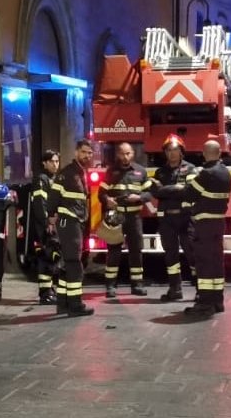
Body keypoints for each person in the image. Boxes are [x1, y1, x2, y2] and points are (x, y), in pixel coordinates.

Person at [182, 139, 231, 318]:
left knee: (204, 263)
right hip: (219, 223)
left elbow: (189, 194)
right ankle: (217, 301)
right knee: (216, 262)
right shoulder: (226, 173)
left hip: (204, 224)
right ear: (219, 153)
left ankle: (204, 303)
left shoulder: (206, 174)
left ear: (204, 154)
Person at [99, 141, 154, 298]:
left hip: (134, 217)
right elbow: (101, 193)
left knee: (136, 251)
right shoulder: (111, 171)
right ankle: (110, 286)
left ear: (133, 154)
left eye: (128, 153)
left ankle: (137, 285)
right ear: (118, 154)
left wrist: (140, 197)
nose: (125, 157)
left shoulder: (140, 171)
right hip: (116, 217)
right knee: (114, 251)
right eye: (122, 154)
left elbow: (150, 192)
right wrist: (107, 200)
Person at [47, 139, 95, 317]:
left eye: (90, 153)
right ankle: (75, 304)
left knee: (68, 264)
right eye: (84, 152)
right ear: (76, 152)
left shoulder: (81, 172)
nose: (87, 156)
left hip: (76, 222)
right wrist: (51, 216)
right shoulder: (67, 173)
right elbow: (53, 198)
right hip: (69, 221)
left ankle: (63, 303)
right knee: (74, 263)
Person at [149, 134, 198, 302]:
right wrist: (176, 188)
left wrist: (166, 190)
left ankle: (200, 289)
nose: (172, 153)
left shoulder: (191, 169)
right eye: (169, 150)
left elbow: (189, 190)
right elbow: (155, 192)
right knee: (171, 256)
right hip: (167, 220)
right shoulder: (160, 172)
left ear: (181, 151)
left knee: (192, 254)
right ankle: (175, 289)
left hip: (186, 219)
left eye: (175, 149)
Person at [30, 149, 61, 305]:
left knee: (51, 257)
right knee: (46, 257)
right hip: (44, 225)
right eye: (52, 161)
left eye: (57, 161)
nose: (55, 164)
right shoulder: (41, 179)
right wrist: (47, 223)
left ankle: (48, 289)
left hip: (52, 224)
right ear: (44, 163)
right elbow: (40, 203)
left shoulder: (54, 179)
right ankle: (45, 293)